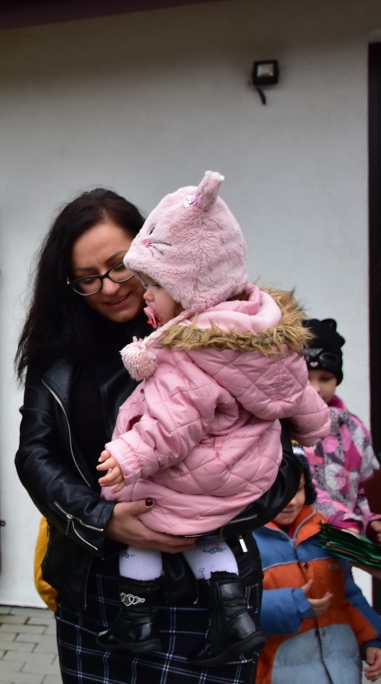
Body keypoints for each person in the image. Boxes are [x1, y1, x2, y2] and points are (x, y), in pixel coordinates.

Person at [14, 183, 308, 683]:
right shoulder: (59, 356)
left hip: (214, 591)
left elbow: (283, 465)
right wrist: (102, 518)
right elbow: (35, 455)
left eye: (118, 265)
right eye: (87, 279)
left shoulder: (230, 339)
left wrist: (205, 516)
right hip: (99, 582)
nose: (109, 287)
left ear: (152, 251)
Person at [93, 171, 330, 664]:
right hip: (248, 473)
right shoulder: (263, 330)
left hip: (203, 474)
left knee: (140, 507)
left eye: (155, 286)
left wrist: (128, 454)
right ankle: (234, 619)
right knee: (205, 527)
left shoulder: (189, 352)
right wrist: (316, 430)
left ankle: (135, 621)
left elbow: (172, 422)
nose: (147, 297)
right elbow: (298, 395)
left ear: (190, 285)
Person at [253, 453, 381, 683]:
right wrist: (293, 604)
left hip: (343, 671)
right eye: (279, 491)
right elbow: (238, 609)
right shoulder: (244, 545)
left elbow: (348, 596)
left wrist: (374, 640)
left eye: (298, 489)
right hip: (280, 673)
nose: (291, 501)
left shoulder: (323, 533)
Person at [301, 318, 381, 541]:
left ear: (337, 379)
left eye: (325, 378)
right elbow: (305, 491)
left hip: (347, 543)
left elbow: (366, 492)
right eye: (306, 379)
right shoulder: (283, 428)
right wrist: (343, 522)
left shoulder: (354, 429)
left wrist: (372, 524)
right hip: (300, 546)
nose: (316, 388)